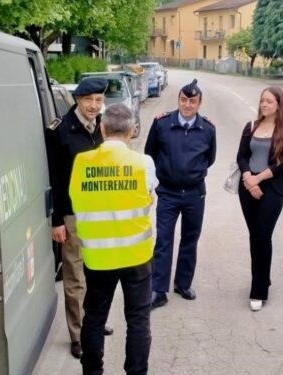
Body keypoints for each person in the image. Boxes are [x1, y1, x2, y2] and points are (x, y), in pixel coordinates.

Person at [69, 103, 158, 375]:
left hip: (98, 258)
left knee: (94, 319)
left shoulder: (82, 163)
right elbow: (151, 199)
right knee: (138, 320)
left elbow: (76, 202)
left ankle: (92, 371)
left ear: (102, 128)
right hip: (137, 256)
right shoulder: (144, 163)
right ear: (132, 131)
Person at [45, 77, 113, 359]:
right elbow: (55, 178)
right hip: (73, 215)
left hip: (99, 214)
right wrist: (57, 220)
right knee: (74, 278)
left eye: (99, 101)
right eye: (89, 100)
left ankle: (93, 322)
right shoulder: (59, 131)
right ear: (78, 100)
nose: (94, 106)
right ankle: (79, 334)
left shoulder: (103, 128)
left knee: (97, 274)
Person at [144, 79, 216, 309]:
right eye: (183, 100)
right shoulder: (162, 124)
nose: (187, 105)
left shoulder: (208, 129)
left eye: (192, 101)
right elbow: (150, 153)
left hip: (195, 193)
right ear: (178, 100)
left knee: (190, 239)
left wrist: (194, 173)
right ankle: (159, 289)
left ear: (199, 103)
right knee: (163, 240)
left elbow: (210, 158)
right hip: (168, 192)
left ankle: (183, 284)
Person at [236, 86, 283, 311]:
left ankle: (259, 290)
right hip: (247, 188)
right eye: (262, 101)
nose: (264, 105)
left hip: (272, 189)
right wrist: (248, 178)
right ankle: (262, 278)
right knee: (254, 237)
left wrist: (258, 179)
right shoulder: (251, 127)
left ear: (279, 105)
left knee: (263, 235)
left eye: (269, 101)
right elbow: (241, 155)